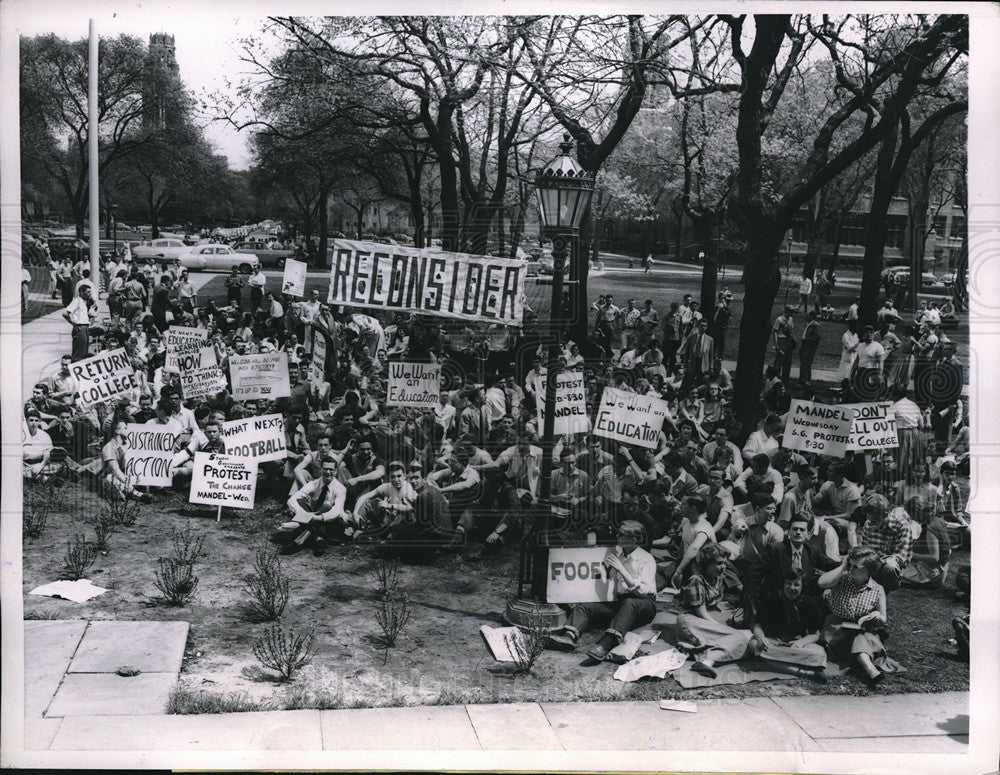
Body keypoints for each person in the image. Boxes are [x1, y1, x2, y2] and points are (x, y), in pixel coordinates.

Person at [546, 520, 657, 662]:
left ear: (634, 540)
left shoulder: (646, 559)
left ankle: (606, 644)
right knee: (585, 607)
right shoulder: (618, 555)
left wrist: (621, 569)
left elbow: (642, 592)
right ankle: (568, 636)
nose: (618, 536)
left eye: (622, 535)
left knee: (630, 603)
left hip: (644, 604)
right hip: (621, 602)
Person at [818, 546, 901, 686]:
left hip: (862, 628)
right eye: (850, 564)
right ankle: (869, 668)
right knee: (857, 637)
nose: (851, 569)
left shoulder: (877, 590)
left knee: (859, 635)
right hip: (836, 627)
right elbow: (821, 583)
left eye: (856, 566)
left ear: (869, 570)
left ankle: (867, 667)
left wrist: (877, 616)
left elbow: (883, 619)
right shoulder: (841, 579)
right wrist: (843, 565)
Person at [275, 457, 350, 555]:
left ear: (335, 471)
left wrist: (319, 517)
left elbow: (337, 510)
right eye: (325, 469)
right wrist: (303, 514)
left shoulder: (340, 488)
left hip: (331, 521)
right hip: (313, 517)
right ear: (321, 470)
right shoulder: (314, 483)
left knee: (327, 507)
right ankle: (319, 540)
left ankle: (298, 542)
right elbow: (292, 499)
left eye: (331, 469)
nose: (328, 472)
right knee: (300, 502)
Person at [847, 494, 912, 593]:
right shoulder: (868, 524)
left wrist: (880, 561)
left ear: (886, 514)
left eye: (874, 520)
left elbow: (902, 557)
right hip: (871, 565)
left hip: (886, 568)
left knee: (890, 566)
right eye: (869, 519)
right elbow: (865, 548)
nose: (871, 523)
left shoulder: (902, 526)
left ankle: (880, 593)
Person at [62, 284, 93, 361]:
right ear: (82, 292)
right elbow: (65, 313)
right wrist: (74, 324)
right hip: (80, 327)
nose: (90, 293)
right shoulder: (77, 301)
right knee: (79, 350)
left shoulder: (83, 302)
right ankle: (75, 364)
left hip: (85, 327)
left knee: (84, 349)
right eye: (88, 292)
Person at [772, 307, 796, 382]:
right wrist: (776, 344)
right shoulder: (779, 319)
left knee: (788, 361)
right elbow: (775, 332)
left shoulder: (791, 319)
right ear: (786, 311)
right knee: (779, 361)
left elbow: (791, 331)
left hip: (789, 341)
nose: (792, 313)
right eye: (791, 311)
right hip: (781, 340)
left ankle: (785, 380)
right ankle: (776, 379)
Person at [798, 311, 820, 385]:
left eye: (808, 315)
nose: (806, 316)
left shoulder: (815, 326)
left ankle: (803, 380)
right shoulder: (807, 324)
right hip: (803, 346)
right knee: (803, 364)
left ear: (811, 316)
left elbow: (817, 338)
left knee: (806, 364)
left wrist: (806, 339)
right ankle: (806, 380)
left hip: (809, 347)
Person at [837, 320, 860, 385]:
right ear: (852, 326)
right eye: (856, 326)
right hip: (847, 358)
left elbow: (857, 348)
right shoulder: (845, 335)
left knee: (852, 375)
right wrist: (857, 344)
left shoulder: (856, 335)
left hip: (854, 357)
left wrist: (856, 347)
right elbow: (849, 348)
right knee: (845, 376)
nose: (858, 328)